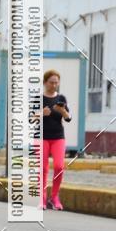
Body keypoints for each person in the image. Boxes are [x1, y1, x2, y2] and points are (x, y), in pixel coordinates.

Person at [42, 69, 71, 210]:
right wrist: (41, 113)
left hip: (58, 137)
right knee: (43, 168)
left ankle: (54, 197)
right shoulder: (38, 98)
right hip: (41, 137)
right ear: (45, 82)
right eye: (51, 82)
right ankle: (42, 198)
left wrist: (63, 111)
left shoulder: (61, 98)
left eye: (56, 83)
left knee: (59, 167)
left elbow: (68, 118)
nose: (54, 85)